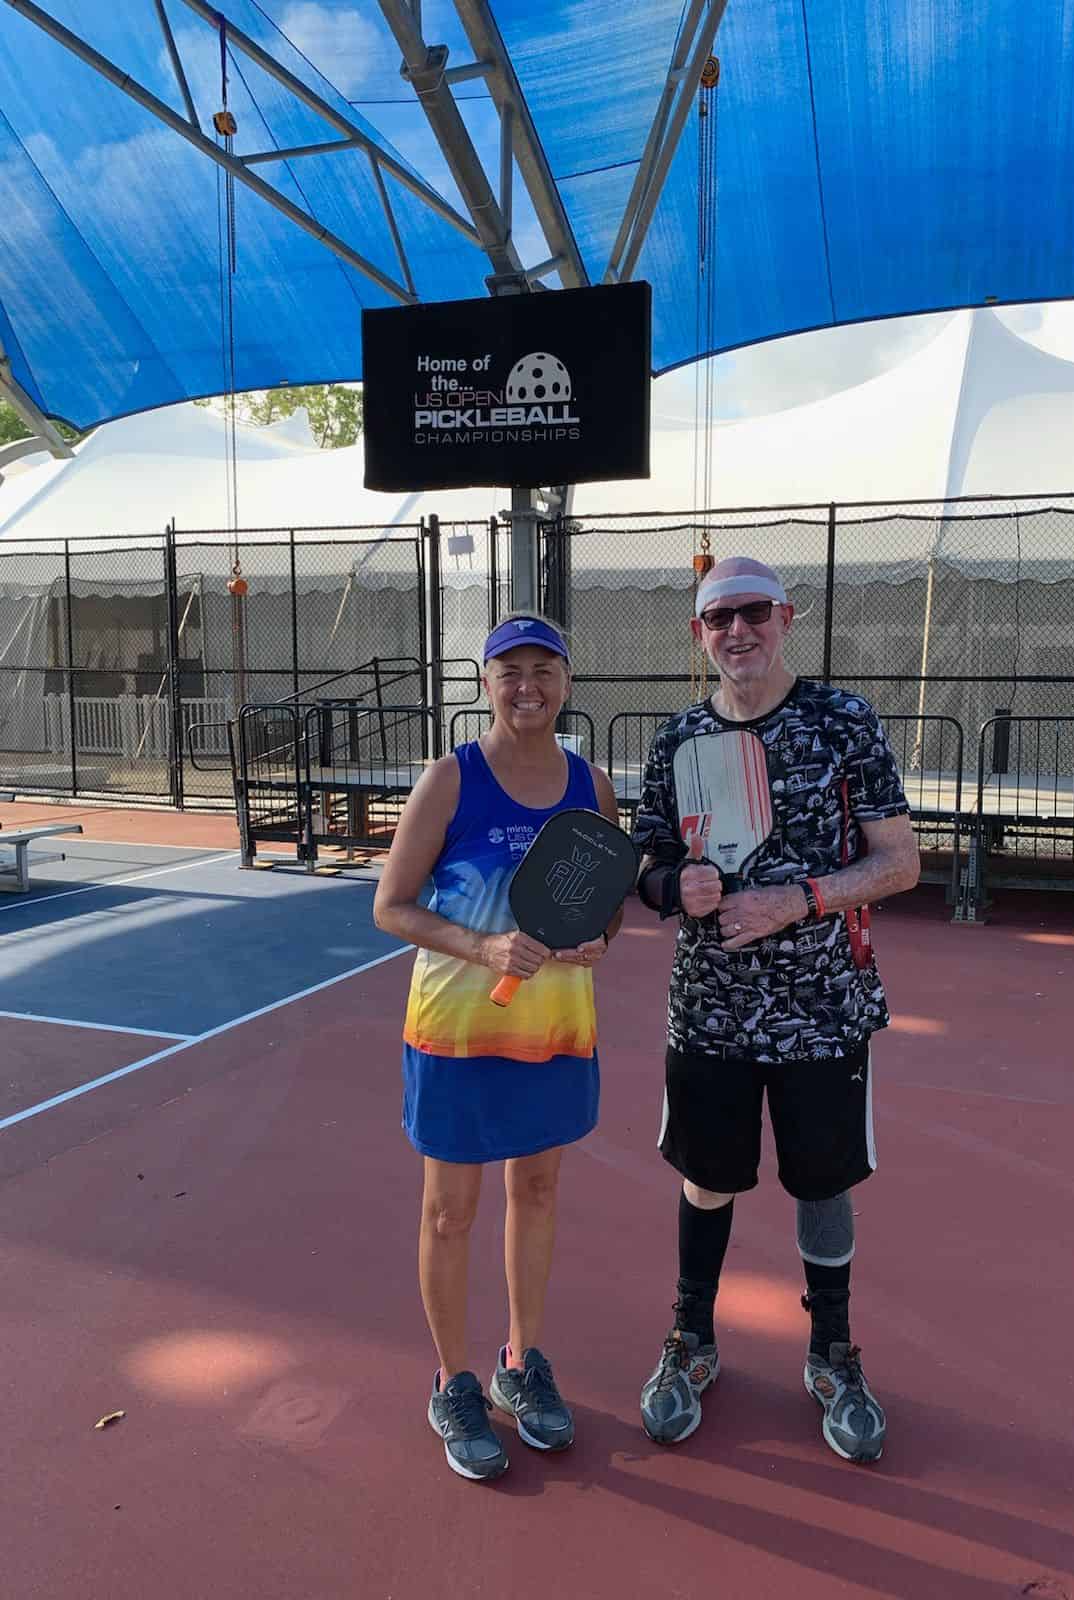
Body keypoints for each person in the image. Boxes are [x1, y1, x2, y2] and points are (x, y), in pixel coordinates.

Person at [632, 556, 921, 1463]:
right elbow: (643, 866)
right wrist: (676, 884)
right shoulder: (676, 740)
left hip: (822, 1009)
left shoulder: (845, 722)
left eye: (754, 612)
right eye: (720, 618)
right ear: (699, 635)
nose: (738, 631)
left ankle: (832, 1354)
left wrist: (797, 899)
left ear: (785, 618)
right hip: (709, 1011)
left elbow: (900, 863)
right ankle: (692, 1342)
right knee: (707, 1177)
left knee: (821, 1183)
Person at [373, 613, 622, 1482]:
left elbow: (606, 902)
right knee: (450, 1210)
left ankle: (522, 1362)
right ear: (485, 683)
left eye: (544, 669)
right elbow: (391, 907)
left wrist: (598, 939)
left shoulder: (591, 783)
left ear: (566, 683)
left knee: (540, 1188)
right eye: (509, 670)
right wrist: (479, 947)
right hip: (455, 1032)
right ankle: (454, 1379)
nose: (528, 686)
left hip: (552, 1029)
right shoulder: (450, 780)